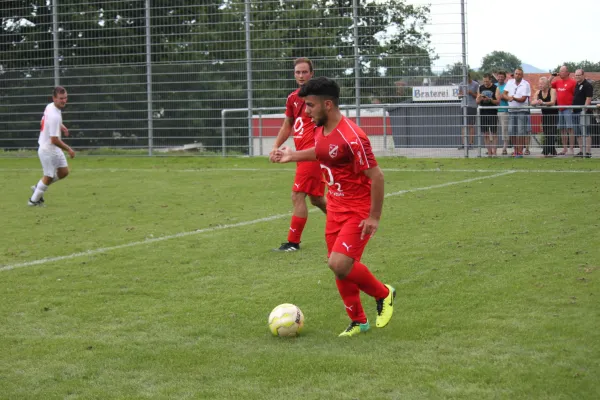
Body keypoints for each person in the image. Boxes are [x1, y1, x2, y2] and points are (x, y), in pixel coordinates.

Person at [273, 77, 395, 337]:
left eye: (310, 106)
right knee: (339, 268)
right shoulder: (320, 128)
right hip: (336, 208)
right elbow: (321, 152)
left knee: (339, 264)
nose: (306, 111)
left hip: (358, 210)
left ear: (327, 104)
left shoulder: (353, 137)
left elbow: (377, 177)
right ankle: (358, 321)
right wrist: (292, 155)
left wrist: (374, 217)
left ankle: (384, 294)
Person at [269, 58, 327, 251]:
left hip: (312, 153)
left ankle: (293, 242)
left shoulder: (319, 98)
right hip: (300, 153)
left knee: (297, 195)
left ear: (312, 73)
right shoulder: (292, 98)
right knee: (316, 199)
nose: (301, 76)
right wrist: (276, 145)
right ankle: (346, 222)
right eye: (297, 72)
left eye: (304, 72)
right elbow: (288, 124)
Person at [29, 86, 75, 206]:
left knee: (64, 172)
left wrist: (61, 126)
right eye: (61, 98)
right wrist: (69, 149)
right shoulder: (54, 115)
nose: (64, 101)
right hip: (47, 149)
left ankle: (39, 187)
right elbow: (54, 139)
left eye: (65, 98)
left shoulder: (50, 106)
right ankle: (33, 201)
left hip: (54, 148)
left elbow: (43, 121)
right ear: (54, 98)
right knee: (48, 176)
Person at [503, 68, 531, 158]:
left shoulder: (526, 84)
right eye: (516, 73)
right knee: (511, 131)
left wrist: (513, 98)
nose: (517, 75)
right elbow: (503, 94)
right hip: (511, 110)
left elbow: (523, 99)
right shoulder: (510, 82)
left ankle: (520, 151)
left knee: (520, 131)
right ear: (514, 74)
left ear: (522, 75)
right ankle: (515, 151)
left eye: (519, 74)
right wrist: (508, 98)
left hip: (522, 110)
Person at [551, 66, 577, 156]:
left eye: (562, 71)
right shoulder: (557, 82)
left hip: (569, 109)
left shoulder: (573, 82)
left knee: (570, 129)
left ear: (567, 72)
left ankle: (571, 149)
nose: (560, 73)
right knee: (562, 130)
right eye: (560, 71)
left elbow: (576, 95)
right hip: (560, 109)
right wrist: (552, 76)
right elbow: (547, 85)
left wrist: (573, 106)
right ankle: (564, 148)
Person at [531, 77, 558, 157]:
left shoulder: (552, 91)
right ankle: (553, 151)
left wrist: (543, 103)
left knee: (551, 132)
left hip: (553, 115)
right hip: (544, 115)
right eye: (539, 84)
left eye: (542, 84)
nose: (540, 85)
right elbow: (532, 102)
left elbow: (553, 102)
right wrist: (536, 102)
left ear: (547, 84)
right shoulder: (538, 92)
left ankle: (545, 151)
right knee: (546, 133)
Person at [572, 69, 594, 158]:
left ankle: (588, 152)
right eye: (576, 75)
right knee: (578, 132)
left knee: (586, 132)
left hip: (584, 112)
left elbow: (588, 99)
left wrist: (584, 111)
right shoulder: (576, 85)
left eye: (579, 75)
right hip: (575, 111)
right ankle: (581, 151)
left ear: (583, 75)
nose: (577, 77)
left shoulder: (587, 85)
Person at [476, 73, 499, 156]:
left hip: (492, 112)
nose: (485, 83)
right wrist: (480, 98)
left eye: (487, 81)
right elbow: (477, 102)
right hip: (483, 113)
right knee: (485, 133)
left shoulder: (495, 88)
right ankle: (489, 152)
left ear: (491, 80)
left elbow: (497, 102)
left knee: (494, 133)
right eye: (484, 81)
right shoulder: (480, 88)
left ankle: (495, 152)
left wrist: (490, 99)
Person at [457, 72, 479, 149]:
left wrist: (471, 93)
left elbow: (477, 96)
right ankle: (463, 144)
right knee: (464, 126)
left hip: (472, 106)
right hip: (463, 106)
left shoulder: (475, 84)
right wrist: (461, 95)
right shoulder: (461, 84)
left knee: (471, 125)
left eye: (467, 78)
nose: (466, 80)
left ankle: (471, 144)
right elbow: (459, 95)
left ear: (469, 77)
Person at [495, 71, 510, 155]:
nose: (500, 78)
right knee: (493, 130)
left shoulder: (507, 86)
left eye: (502, 77)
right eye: (499, 76)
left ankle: (504, 148)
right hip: (495, 111)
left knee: (504, 130)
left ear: (505, 78)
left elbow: (508, 97)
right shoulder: (494, 86)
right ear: (497, 77)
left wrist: (503, 97)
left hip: (504, 110)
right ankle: (494, 148)